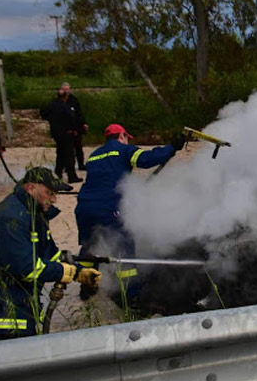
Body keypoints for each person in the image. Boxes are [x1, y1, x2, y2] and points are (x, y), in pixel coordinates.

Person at [0, 167, 102, 344]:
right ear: (31, 188)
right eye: (49, 193)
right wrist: (63, 272)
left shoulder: (33, 214)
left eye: (55, 194)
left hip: (10, 305)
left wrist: (79, 272)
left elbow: (49, 254)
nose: (54, 199)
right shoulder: (9, 219)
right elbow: (26, 268)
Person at [75, 124, 185, 301]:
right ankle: (130, 294)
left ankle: (87, 285)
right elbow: (147, 159)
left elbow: (107, 177)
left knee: (90, 245)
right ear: (122, 136)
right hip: (108, 207)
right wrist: (172, 147)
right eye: (126, 137)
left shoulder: (94, 155)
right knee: (123, 244)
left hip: (84, 207)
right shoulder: (122, 149)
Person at [40, 83, 83, 183]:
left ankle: (58, 173)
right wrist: (76, 129)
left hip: (56, 133)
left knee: (60, 153)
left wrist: (51, 120)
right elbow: (72, 119)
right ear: (65, 97)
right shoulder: (65, 107)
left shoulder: (51, 105)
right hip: (66, 133)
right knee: (69, 155)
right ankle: (71, 176)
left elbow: (43, 112)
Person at [61, 82, 89, 171]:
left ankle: (81, 164)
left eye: (68, 89)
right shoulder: (59, 101)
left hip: (77, 127)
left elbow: (79, 113)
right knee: (67, 149)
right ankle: (67, 166)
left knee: (78, 147)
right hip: (65, 129)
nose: (67, 91)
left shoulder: (74, 100)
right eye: (65, 89)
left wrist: (84, 123)